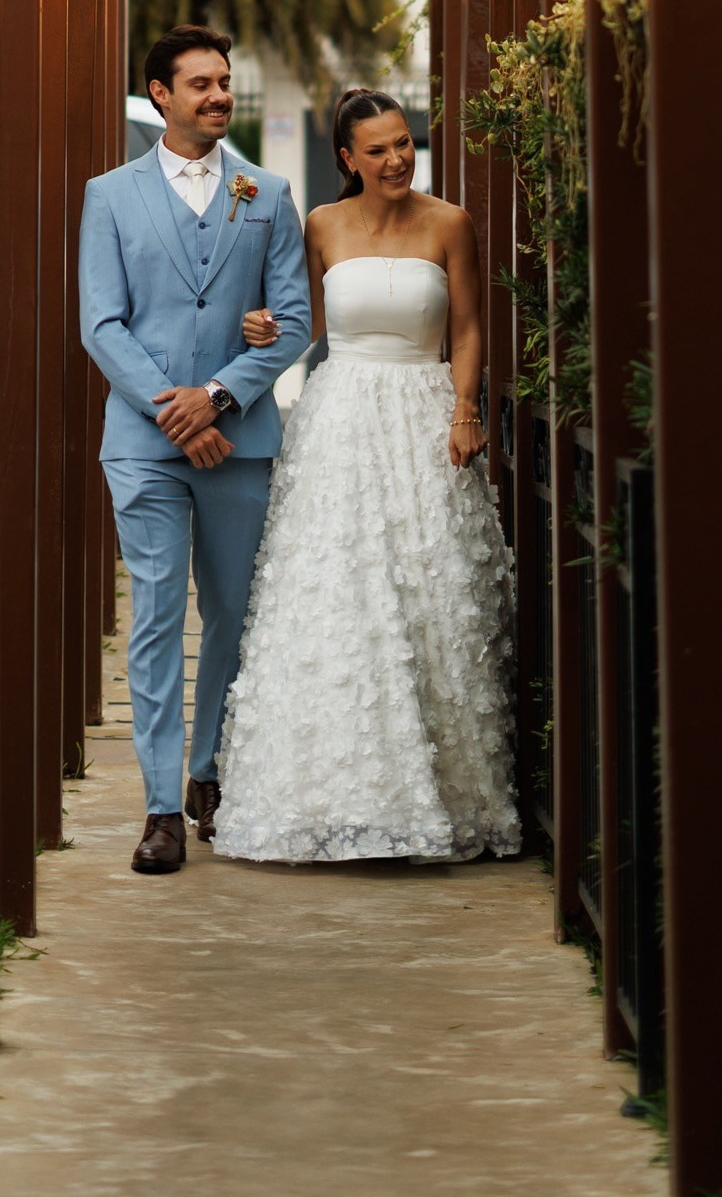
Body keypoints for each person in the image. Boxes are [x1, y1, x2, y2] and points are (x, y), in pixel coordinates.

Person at [210, 85, 520, 866]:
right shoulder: (320, 225)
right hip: (341, 419)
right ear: (347, 159)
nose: (396, 158)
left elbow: (470, 325)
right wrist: (264, 327)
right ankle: (333, 796)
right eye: (378, 149)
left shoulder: (450, 222)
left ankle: (441, 795)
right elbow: (305, 324)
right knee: (338, 599)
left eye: (404, 142)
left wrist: (464, 409)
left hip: (423, 416)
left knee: (428, 596)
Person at [79, 22, 311, 876]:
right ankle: (160, 806)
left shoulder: (267, 192)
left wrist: (214, 399)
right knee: (154, 617)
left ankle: (209, 767)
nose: (219, 96)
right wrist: (173, 414)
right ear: (161, 97)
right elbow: (100, 324)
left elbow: (291, 325)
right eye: (202, 84)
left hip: (239, 441)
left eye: (225, 82)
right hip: (143, 446)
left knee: (230, 617)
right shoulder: (108, 196)